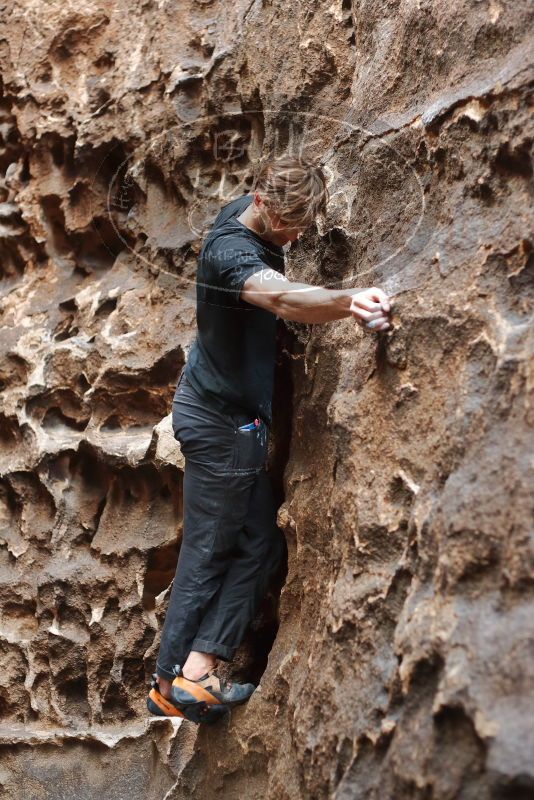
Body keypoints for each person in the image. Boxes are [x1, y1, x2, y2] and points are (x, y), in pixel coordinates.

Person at [146, 155, 392, 724]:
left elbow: (279, 287)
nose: (292, 235)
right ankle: (169, 685)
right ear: (259, 200)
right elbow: (280, 298)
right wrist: (349, 300)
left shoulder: (257, 219)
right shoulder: (229, 251)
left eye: (301, 226)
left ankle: (197, 668)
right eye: (286, 225)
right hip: (218, 423)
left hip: (237, 419)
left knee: (260, 544)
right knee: (208, 551)